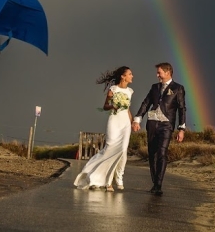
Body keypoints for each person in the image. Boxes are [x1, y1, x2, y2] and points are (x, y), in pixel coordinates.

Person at [74, 66, 135, 192]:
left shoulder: (130, 91)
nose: (132, 76)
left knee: (123, 150)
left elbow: (128, 109)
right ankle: (107, 182)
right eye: (130, 74)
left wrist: (133, 122)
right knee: (109, 150)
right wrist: (113, 105)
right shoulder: (113, 90)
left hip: (125, 124)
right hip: (114, 122)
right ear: (123, 76)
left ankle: (119, 177)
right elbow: (105, 106)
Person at [132, 62, 186, 196]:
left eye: (159, 72)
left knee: (162, 152)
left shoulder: (178, 88)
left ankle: (158, 184)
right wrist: (137, 119)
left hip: (166, 125)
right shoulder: (154, 87)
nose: (157, 75)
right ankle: (154, 181)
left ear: (168, 73)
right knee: (152, 153)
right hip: (152, 123)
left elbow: (181, 108)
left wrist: (181, 128)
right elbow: (146, 103)